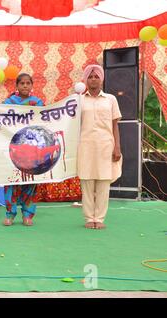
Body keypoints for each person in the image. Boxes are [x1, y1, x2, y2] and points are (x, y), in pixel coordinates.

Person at [78, 64, 122, 230]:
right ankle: (89, 217)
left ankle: (100, 218)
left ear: (102, 79)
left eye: (96, 76)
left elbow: (115, 125)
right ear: (85, 80)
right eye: (90, 76)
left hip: (106, 145)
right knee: (87, 180)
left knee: (104, 181)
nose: (93, 79)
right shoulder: (78, 100)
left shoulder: (111, 99)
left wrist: (117, 147)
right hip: (85, 145)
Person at [3, 73, 44, 227]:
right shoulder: (8, 102)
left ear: (32, 85)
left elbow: (44, 121)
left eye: (28, 83)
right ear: (17, 86)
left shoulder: (38, 102)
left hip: (32, 148)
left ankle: (28, 214)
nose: (25, 86)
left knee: (31, 181)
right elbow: (0, 118)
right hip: (14, 148)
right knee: (11, 180)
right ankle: (10, 214)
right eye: (22, 83)